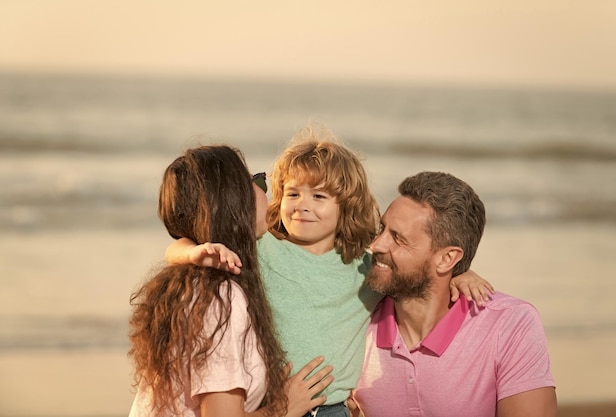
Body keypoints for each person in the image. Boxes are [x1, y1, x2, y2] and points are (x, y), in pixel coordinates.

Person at [166, 125, 494, 417]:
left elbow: (415, 271)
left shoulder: (366, 267)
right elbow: (174, 249)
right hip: (269, 403)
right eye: (293, 193)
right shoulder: (262, 249)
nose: (302, 204)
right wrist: (195, 253)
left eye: (319, 196)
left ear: (346, 207)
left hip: (333, 408)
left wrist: (461, 274)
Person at [128, 145, 333, 417]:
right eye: (256, 181)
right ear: (234, 200)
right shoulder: (219, 297)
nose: (267, 192)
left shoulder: (191, 282)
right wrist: (285, 407)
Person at [350, 171, 557, 417]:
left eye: (398, 238)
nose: (377, 245)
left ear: (447, 258)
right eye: (382, 228)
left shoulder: (510, 324)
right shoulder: (355, 314)